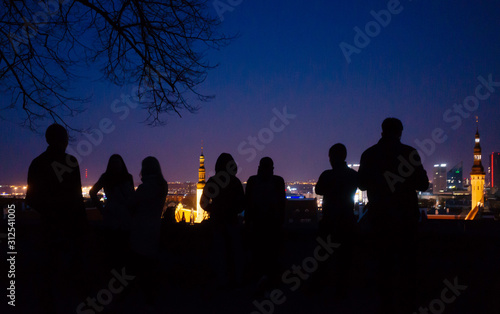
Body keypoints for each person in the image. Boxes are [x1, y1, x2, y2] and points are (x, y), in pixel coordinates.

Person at [358, 118, 429, 314]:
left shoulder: (370, 154)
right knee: (407, 265)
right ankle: (407, 305)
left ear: (382, 131)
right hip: (405, 218)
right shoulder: (409, 153)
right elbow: (423, 184)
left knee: (383, 265)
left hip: (380, 218)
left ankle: (385, 305)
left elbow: (362, 184)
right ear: (400, 132)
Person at [26, 123, 88, 311]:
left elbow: (31, 199)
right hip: (69, 228)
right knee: (68, 273)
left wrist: (49, 212)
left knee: (49, 272)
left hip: (48, 227)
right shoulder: (70, 162)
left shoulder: (37, 163)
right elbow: (76, 198)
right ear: (64, 140)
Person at [314, 143, 358, 294]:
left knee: (323, 259)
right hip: (347, 220)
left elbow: (318, 189)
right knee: (345, 258)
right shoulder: (352, 175)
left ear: (331, 158)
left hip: (328, 221)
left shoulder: (327, 175)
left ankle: (322, 287)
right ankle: (343, 288)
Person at [200, 153, 245, 287]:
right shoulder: (235, 182)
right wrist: (231, 209)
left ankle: (221, 281)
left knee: (219, 253)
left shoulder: (213, 181)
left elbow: (203, 203)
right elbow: (242, 204)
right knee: (234, 252)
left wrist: (214, 209)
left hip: (217, 223)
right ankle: (235, 280)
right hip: (232, 222)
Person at [128, 156, 168, 302]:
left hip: (140, 229)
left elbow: (132, 204)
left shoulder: (144, 188)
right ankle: (152, 295)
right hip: (155, 228)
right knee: (151, 262)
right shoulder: (162, 186)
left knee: (140, 262)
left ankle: (143, 295)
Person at [245, 157, 286, 295]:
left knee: (258, 255)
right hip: (273, 225)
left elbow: (248, 204)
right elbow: (282, 204)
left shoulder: (252, 182)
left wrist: (247, 222)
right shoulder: (278, 182)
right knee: (271, 256)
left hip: (258, 224)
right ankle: (271, 283)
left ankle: (259, 282)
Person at [89, 154, 134, 267]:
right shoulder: (127, 177)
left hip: (114, 216)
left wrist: (102, 209)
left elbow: (92, 192)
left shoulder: (107, 177)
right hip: (121, 217)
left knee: (114, 247)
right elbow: (132, 197)